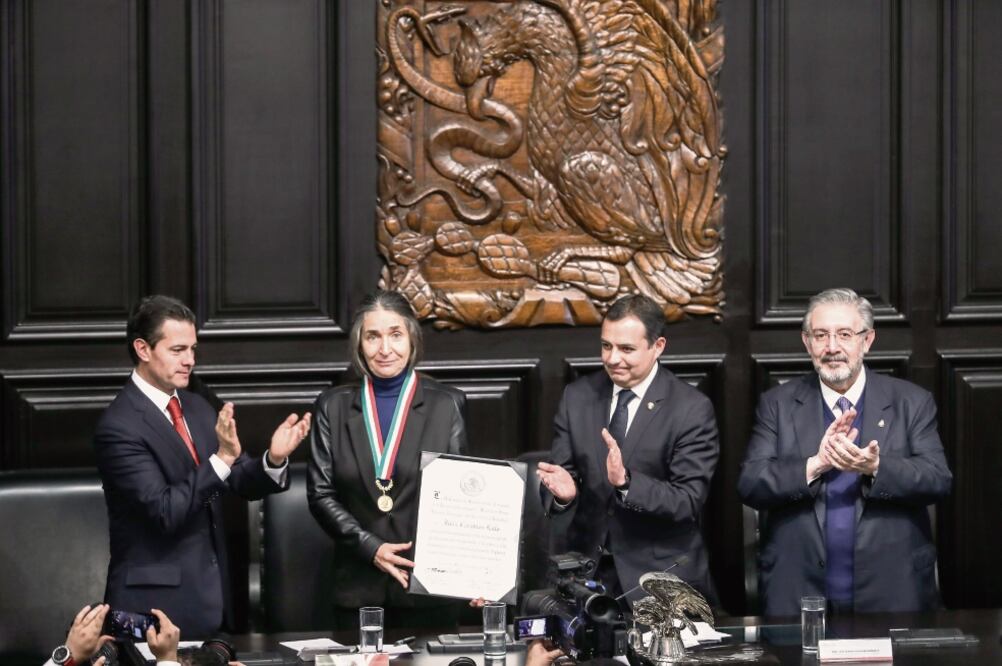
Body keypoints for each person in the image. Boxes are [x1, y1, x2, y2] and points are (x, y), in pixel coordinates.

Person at [94, 295, 312, 638]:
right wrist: (223, 458)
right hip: (153, 612)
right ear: (143, 349)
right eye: (178, 350)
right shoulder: (118, 427)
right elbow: (165, 510)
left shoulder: (196, 406)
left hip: (215, 602)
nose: (190, 360)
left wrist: (274, 458)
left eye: (193, 349)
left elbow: (237, 478)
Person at [738, 288, 952, 615]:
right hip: (797, 589)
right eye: (821, 335)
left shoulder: (911, 402)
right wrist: (815, 464)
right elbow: (750, 484)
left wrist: (877, 466)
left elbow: (938, 480)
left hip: (892, 588)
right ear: (807, 342)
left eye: (845, 334)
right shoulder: (777, 405)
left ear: (866, 341)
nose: (832, 347)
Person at [536, 294, 719, 605]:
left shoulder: (691, 408)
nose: (612, 358)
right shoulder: (578, 397)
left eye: (626, 349)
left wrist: (626, 483)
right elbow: (562, 477)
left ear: (657, 346)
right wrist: (563, 496)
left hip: (660, 581)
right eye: (607, 346)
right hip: (586, 581)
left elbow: (687, 501)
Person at [308, 291, 468, 629]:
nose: (384, 349)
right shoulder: (332, 405)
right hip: (357, 592)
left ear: (412, 338)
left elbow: (462, 498)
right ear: (359, 344)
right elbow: (320, 494)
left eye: (395, 334)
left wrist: (478, 572)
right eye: (373, 336)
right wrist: (370, 546)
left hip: (429, 590)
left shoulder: (447, 404)